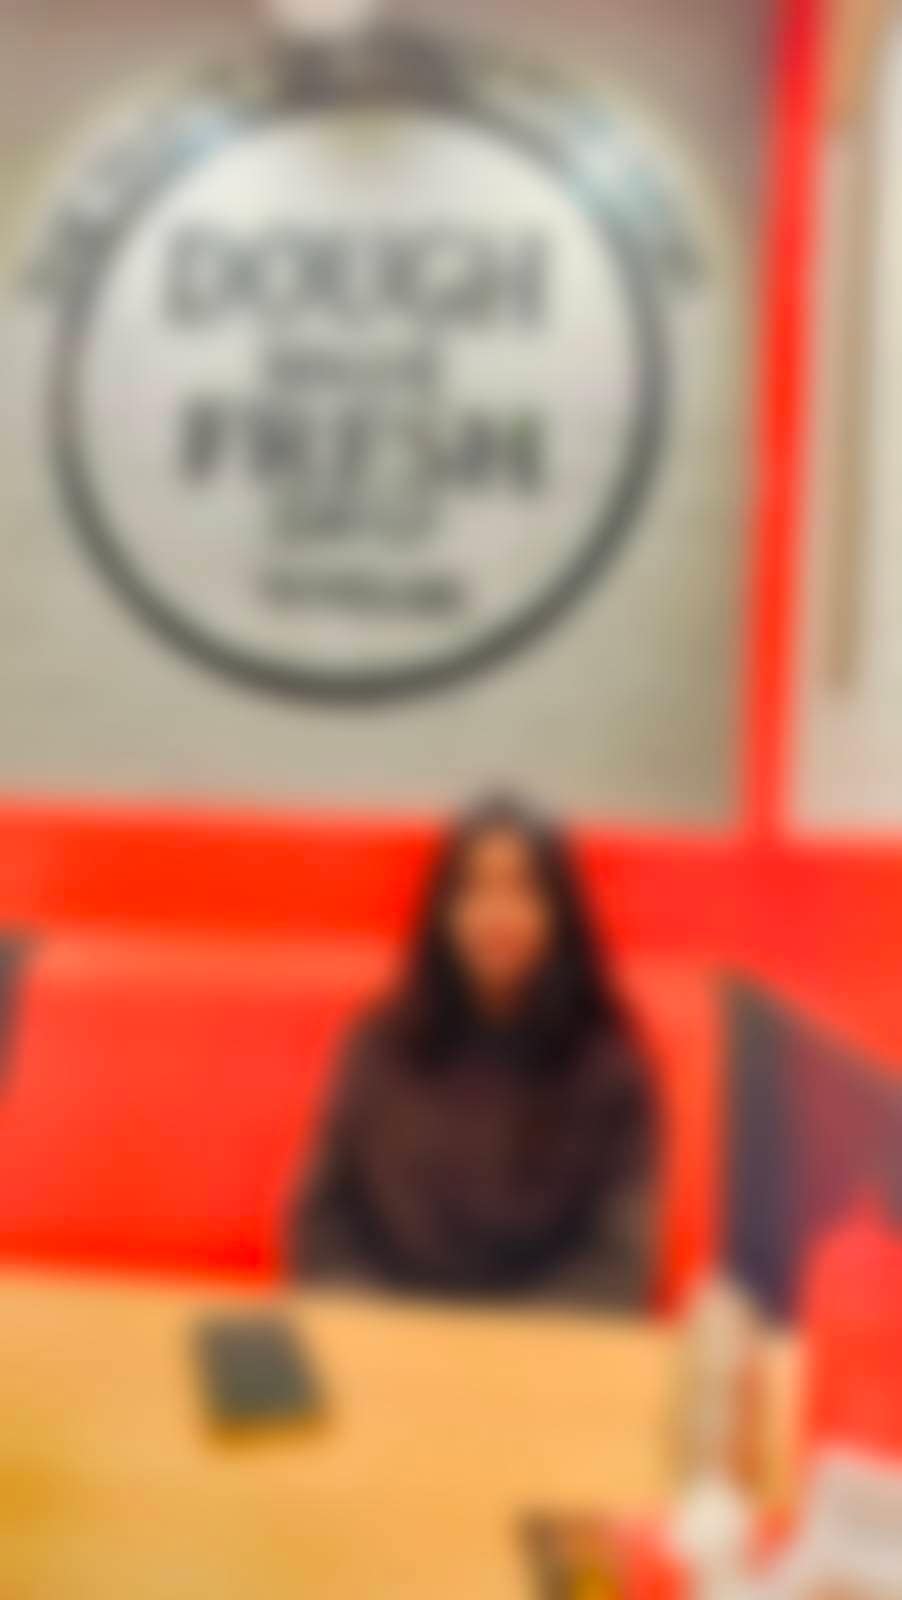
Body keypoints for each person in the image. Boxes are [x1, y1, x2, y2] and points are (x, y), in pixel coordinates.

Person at [285, 796, 659, 1306]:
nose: (497, 914)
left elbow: (616, 1266)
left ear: (560, 912)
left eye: (522, 889)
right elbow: (321, 1228)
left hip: (543, 1346)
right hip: (385, 1336)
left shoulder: (609, 1069)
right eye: (475, 889)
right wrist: (382, 1330)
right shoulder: (379, 1047)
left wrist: (498, 1347)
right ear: (443, 910)